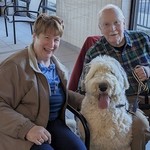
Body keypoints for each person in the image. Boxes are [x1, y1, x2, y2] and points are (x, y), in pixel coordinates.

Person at [0, 13, 86, 150]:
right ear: (34, 36)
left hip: (51, 123)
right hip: (23, 129)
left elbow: (54, 92)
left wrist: (87, 101)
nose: (52, 44)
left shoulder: (56, 66)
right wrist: (27, 129)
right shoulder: (14, 66)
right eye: (46, 37)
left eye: (56, 39)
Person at [78, 4, 150, 150]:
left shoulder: (143, 39)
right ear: (100, 28)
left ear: (124, 22)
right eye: (106, 24)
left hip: (147, 94)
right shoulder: (94, 52)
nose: (113, 28)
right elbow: (83, 86)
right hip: (125, 101)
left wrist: (148, 70)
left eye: (117, 22)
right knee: (140, 127)